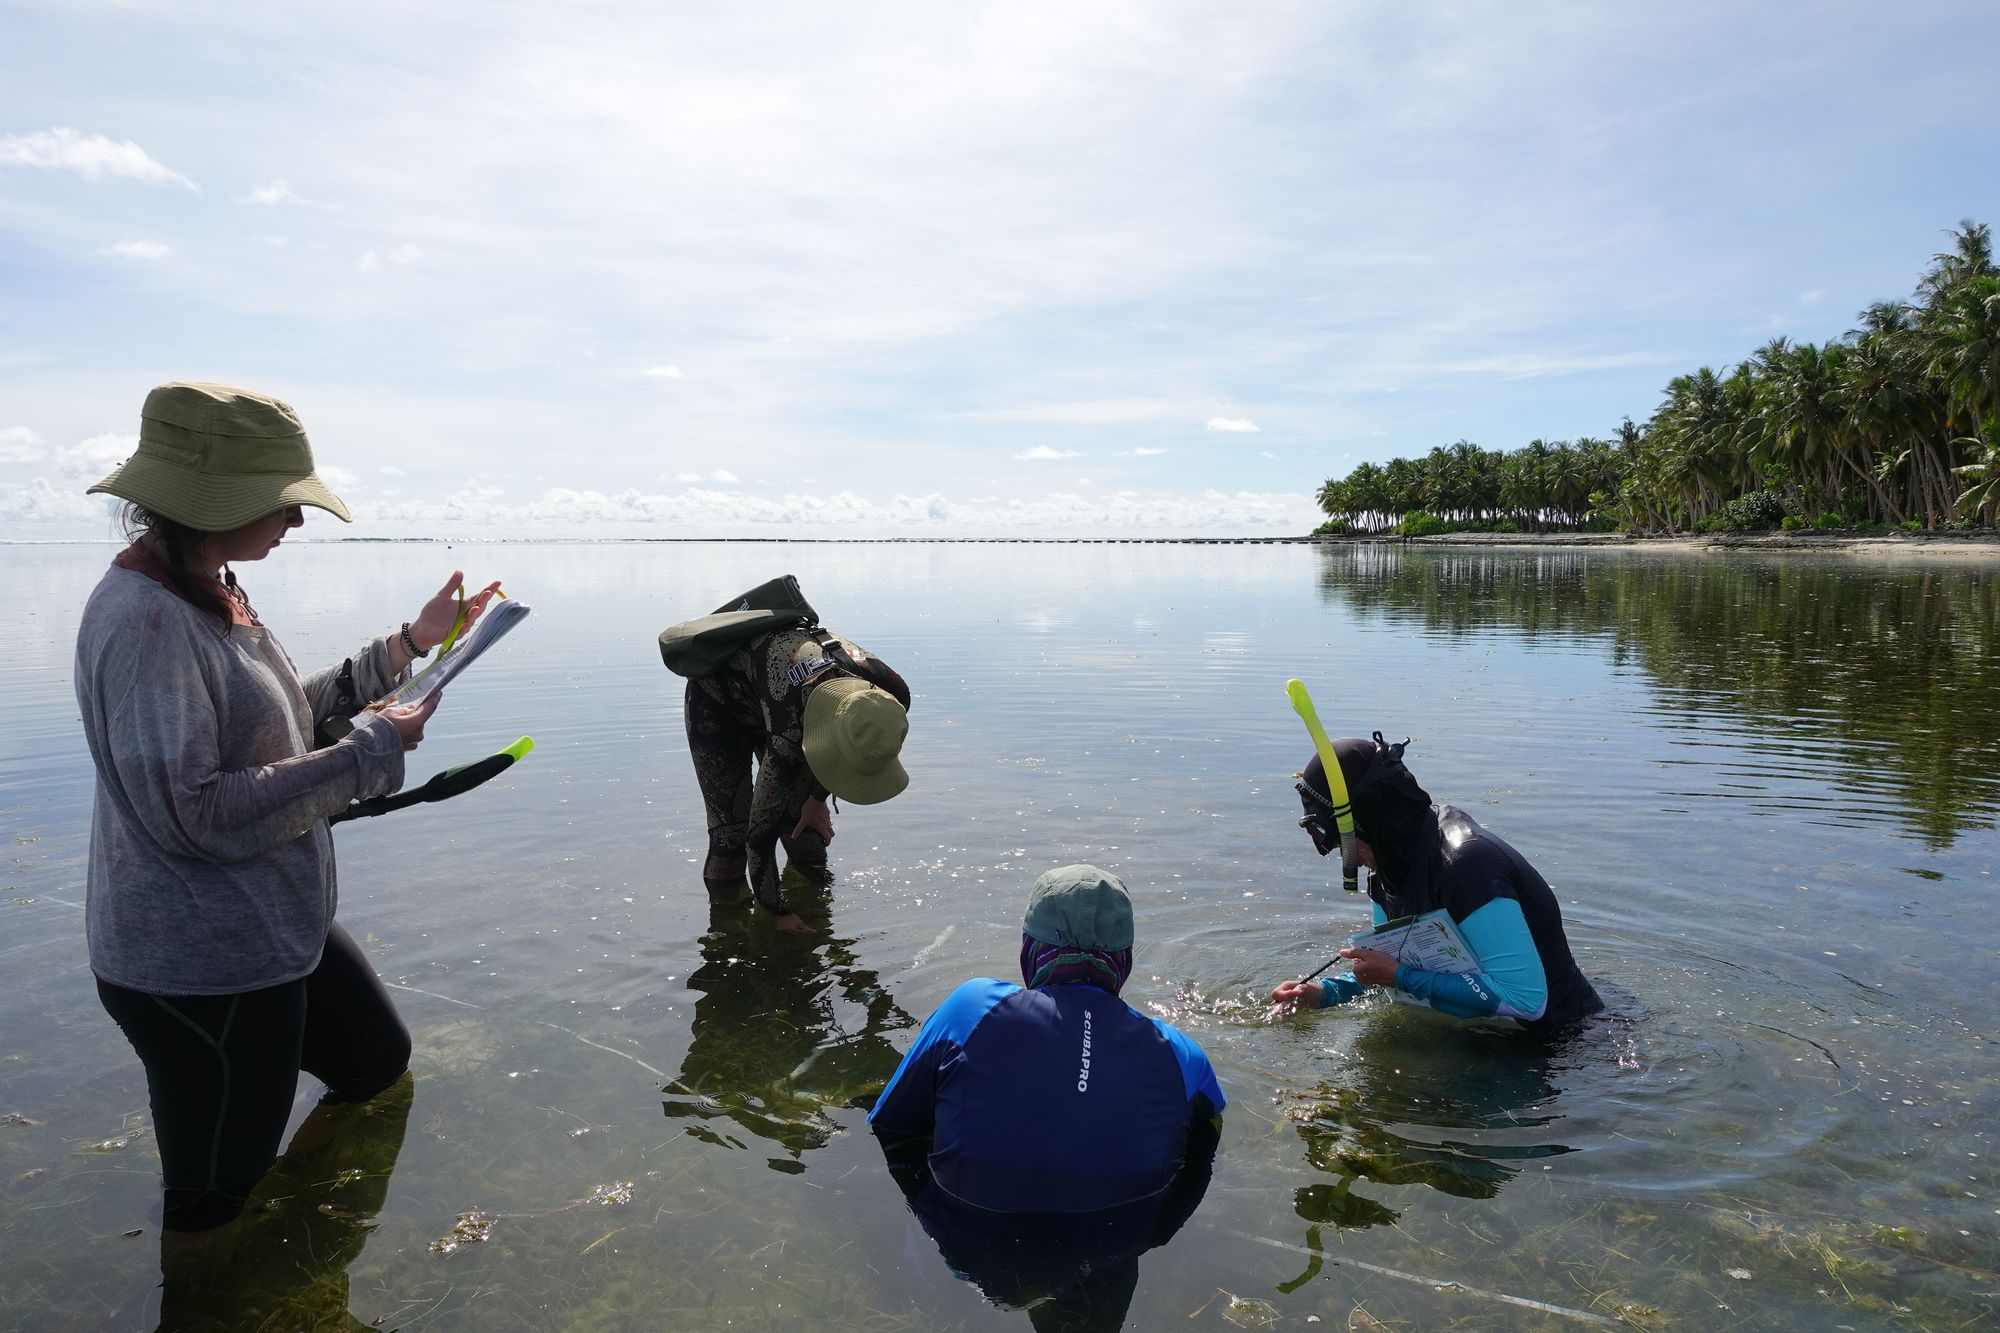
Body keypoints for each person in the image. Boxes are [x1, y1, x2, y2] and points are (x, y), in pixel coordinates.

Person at [73, 381, 499, 1252]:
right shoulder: (146, 624)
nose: (297, 520)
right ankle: (220, 1293)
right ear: (211, 501)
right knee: (213, 1201)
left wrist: (408, 647)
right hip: (201, 967)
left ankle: (299, 1241)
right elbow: (193, 813)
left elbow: (274, 722)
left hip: (271, 928)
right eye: (280, 501)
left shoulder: (206, 585)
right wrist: (370, 751)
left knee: (375, 1062)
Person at [870, 864, 1226, 1213]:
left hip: (964, 1235)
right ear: (1125, 957)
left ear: (1029, 947)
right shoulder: (1184, 1058)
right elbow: (1205, 1144)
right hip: (1120, 1242)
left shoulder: (971, 1010)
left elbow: (891, 1124)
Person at [1270, 733, 1602, 1029]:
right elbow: (1386, 966)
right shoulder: (1387, 866)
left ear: (1366, 819)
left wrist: (1400, 976)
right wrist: (1324, 993)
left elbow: (1526, 1001)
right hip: (1488, 1037)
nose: (1347, 859)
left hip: (1564, 1043)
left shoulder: (1469, 866)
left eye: (1340, 841)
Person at [684, 615, 910, 931]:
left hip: (778, 697)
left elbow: (847, 748)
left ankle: (813, 909)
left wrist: (816, 799)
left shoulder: (892, 694)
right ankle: (727, 930)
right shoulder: (790, 734)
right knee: (732, 835)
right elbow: (759, 835)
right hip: (718, 700)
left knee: (804, 833)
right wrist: (776, 912)